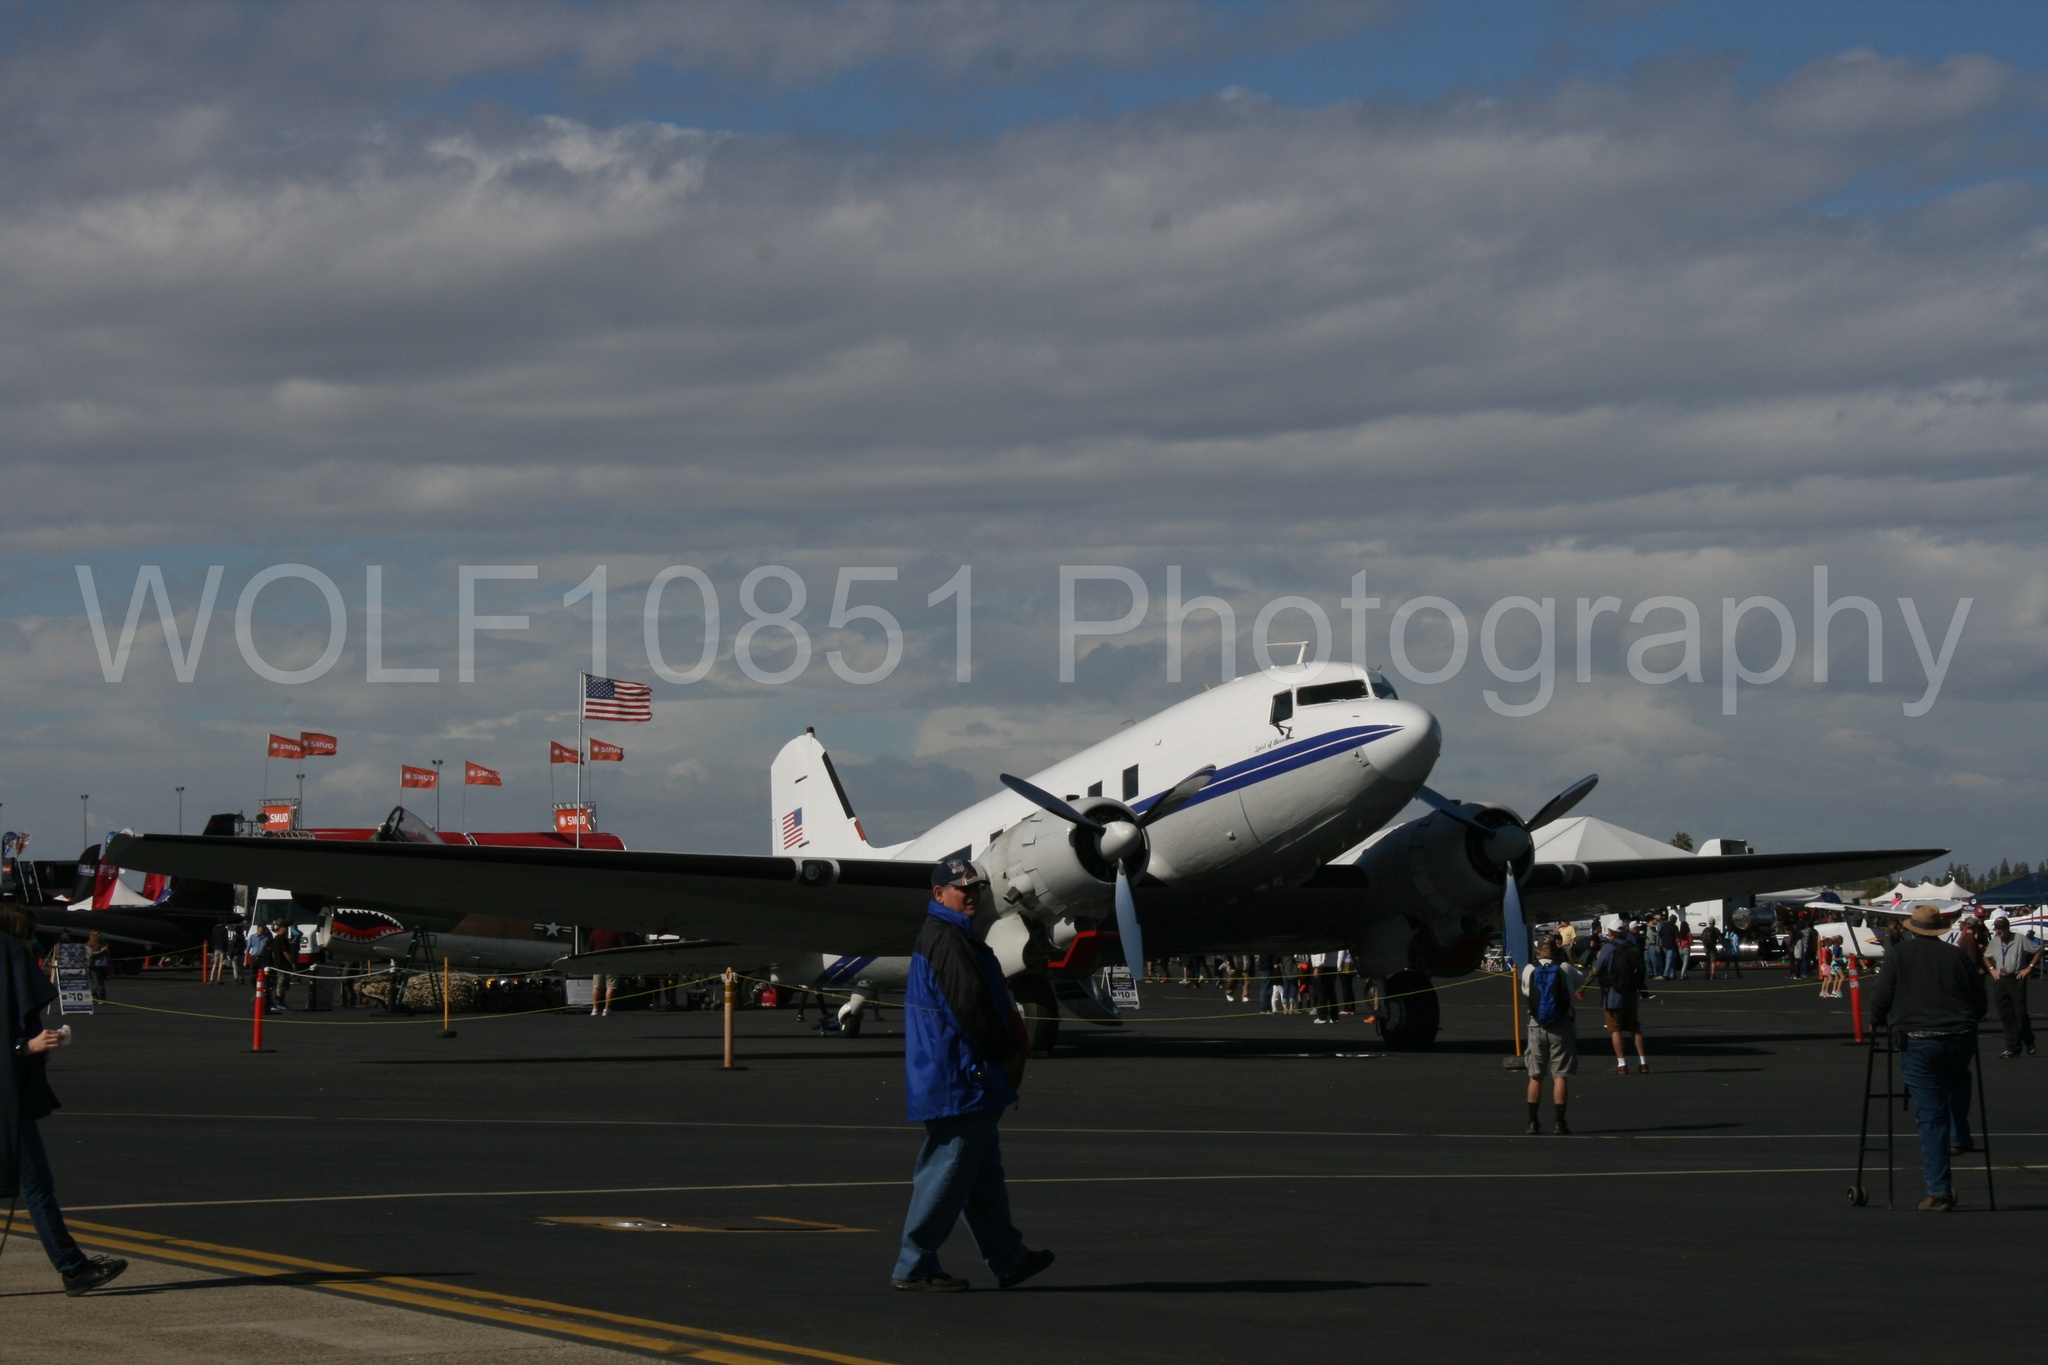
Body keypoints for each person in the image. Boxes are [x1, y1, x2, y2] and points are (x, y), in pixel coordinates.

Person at [891, 856, 1052, 1293]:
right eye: (963, 888)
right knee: (947, 1171)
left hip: (964, 1075)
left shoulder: (952, 936)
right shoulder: (947, 938)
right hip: (960, 1077)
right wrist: (1004, 1051)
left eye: (977, 888)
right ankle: (914, 1264)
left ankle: (1009, 1258)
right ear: (938, 893)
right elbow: (967, 1006)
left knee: (980, 1176)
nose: (972, 895)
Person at [1, 906, 128, 1295]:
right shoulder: (9, 953)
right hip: (6, 1100)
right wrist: (25, 1045)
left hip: (12, 1093)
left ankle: (72, 1265)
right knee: (37, 1184)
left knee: (37, 1182)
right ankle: (72, 1266)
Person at [1867, 903, 1988, 1211]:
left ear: (1910, 929)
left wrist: (1876, 1017)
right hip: (1959, 1034)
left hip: (1919, 1038)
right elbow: (1979, 998)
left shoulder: (1899, 955)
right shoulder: (1957, 955)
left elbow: (1881, 995)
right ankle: (1959, 1134)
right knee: (1959, 1076)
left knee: (1931, 1115)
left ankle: (1939, 1190)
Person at [1521, 936, 1583, 1134]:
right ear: (1555, 950)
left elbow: (1526, 991)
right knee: (1560, 1076)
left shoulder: (1529, 969)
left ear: (1538, 950)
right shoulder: (1564, 967)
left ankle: (1532, 1122)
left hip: (1536, 1024)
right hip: (1561, 1024)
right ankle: (1559, 1122)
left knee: (1535, 1075)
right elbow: (1580, 979)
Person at [1588, 925, 1649, 1073]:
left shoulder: (1608, 948)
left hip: (1613, 994)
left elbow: (1596, 969)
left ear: (1611, 932)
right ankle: (1643, 1063)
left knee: (1615, 1029)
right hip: (1630, 993)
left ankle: (1621, 1064)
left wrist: (1583, 986)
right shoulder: (1633, 947)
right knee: (1635, 1029)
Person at [1983, 915, 2041, 1059]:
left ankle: (2029, 1041)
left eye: (2001, 929)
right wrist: (1991, 969)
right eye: (1996, 929)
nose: (1998, 932)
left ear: (2007, 928)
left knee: (2020, 1013)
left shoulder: (2019, 939)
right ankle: (2013, 1047)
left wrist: (2029, 968)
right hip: (2000, 980)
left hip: (2016, 978)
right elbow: (1985, 956)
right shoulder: (1995, 942)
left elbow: (2038, 950)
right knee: (2005, 1014)